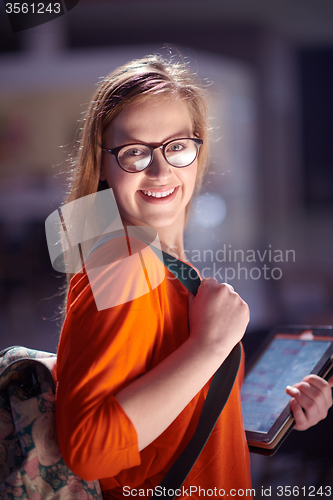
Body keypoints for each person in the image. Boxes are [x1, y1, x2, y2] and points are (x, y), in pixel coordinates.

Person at [55, 54, 333, 499]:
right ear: (103, 163)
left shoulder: (164, 266)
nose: (161, 169)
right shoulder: (126, 263)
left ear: (198, 151)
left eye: (177, 146)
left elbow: (168, 430)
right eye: (134, 152)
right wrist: (210, 346)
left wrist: (270, 413)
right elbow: (91, 450)